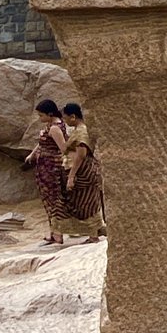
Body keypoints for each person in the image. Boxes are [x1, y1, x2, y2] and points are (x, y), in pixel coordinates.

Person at [25, 99, 72, 245]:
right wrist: (33, 154)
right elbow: (42, 142)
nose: (40, 118)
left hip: (52, 167)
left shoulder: (55, 128)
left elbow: (63, 148)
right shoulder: (50, 126)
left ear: (50, 114)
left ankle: (58, 233)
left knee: (54, 198)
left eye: (41, 115)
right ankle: (54, 231)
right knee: (49, 198)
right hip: (45, 166)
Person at [59, 102, 104, 244]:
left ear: (73, 117)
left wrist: (71, 176)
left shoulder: (81, 132)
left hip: (83, 170)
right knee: (84, 201)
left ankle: (93, 235)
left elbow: (81, 155)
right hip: (81, 169)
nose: (65, 121)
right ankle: (94, 232)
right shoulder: (79, 129)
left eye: (66, 118)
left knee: (87, 202)